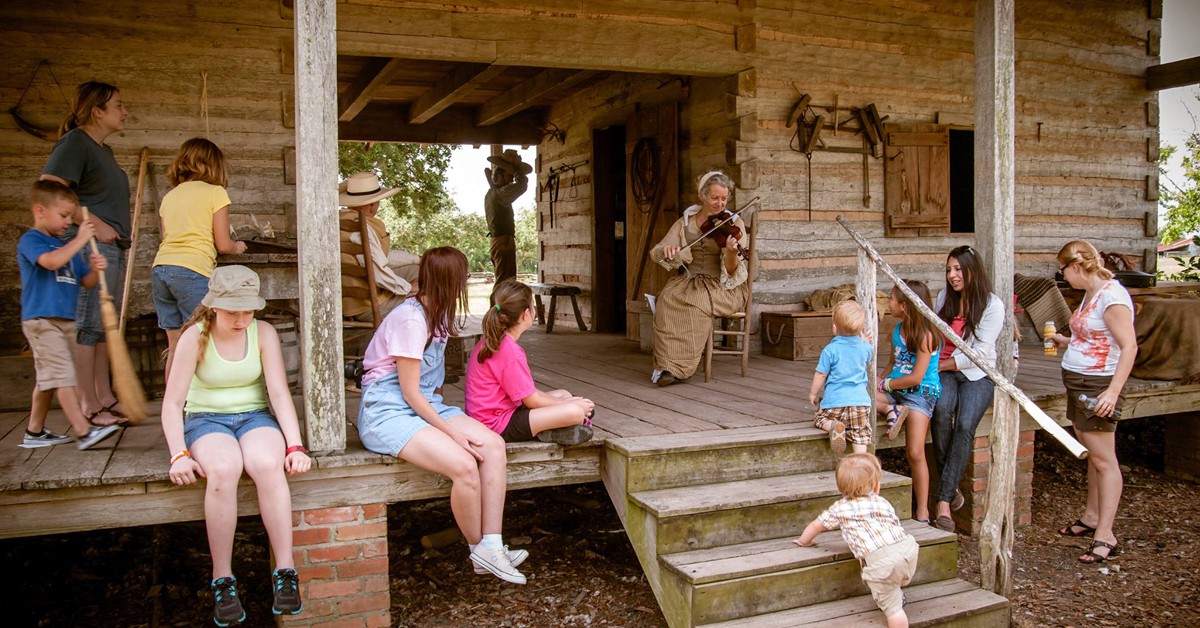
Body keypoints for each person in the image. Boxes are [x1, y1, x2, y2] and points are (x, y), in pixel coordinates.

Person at [356, 247, 528, 584]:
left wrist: (451, 425)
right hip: (387, 411)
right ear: (452, 282)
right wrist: (452, 433)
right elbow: (409, 392)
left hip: (424, 405)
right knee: (464, 465)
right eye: (463, 278)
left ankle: (493, 545)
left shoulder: (439, 316)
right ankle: (478, 549)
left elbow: (429, 390)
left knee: (493, 445)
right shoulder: (411, 320)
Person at [160, 265, 312, 625]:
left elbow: (278, 393)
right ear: (213, 305)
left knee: (266, 464)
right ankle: (223, 578)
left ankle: (285, 570)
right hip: (205, 419)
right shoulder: (194, 336)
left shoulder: (263, 332)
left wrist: (295, 445)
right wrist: (178, 454)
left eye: (248, 310)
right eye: (233, 311)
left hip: (254, 416)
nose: (241, 319)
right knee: (223, 469)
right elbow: (172, 403)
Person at [40, 81, 130, 428]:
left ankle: (104, 396)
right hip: (90, 246)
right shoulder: (75, 142)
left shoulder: (103, 151)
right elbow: (50, 188)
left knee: (103, 325)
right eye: (118, 105)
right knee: (88, 325)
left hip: (111, 246)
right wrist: (91, 223)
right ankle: (88, 405)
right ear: (97, 111)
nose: (124, 112)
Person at [1049, 240, 1136, 564]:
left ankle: (1106, 535)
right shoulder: (1091, 293)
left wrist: (1112, 393)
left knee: (1105, 460)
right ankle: (1091, 516)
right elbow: (1095, 335)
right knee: (1092, 454)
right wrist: (1066, 341)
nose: (1063, 277)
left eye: (1062, 271)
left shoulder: (1113, 298)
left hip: (1098, 385)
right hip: (1079, 381)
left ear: (1075, 266)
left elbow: (1129, 347)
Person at [17, 180, 121, 451]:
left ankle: (34, 431)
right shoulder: (32, 240)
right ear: (40, 211)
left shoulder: (65, 245)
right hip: (42, 321)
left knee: (49, 378)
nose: (68, 221)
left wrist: (95, 269)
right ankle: (84, 431)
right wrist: (80, 240)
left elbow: (85, 282)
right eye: (63, 215)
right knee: (64, 375)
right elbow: (51, 262)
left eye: (70, 216)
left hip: (66, 320)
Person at [152, 138, 247, 383]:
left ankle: (173, 401)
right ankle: (204, 398)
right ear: (215, 165)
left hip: (161, 269)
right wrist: (237, 247)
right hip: (192, 270)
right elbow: (223, 244)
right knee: (203, 338)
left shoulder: (170, 196)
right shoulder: (216, 193)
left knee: (175, 344)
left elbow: (167, 237)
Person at [930, 245, 1005, 534]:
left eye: (958, 269)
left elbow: (980, 353)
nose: (952, 275)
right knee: (940, 411)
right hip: (946, 371)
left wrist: (942, 366)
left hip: (977, 374)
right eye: (949, 270)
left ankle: (943, 501)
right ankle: (951, 491)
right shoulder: (944, 298)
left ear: (973, 271)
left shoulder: (992, 305)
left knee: (964, 425)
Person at [794, 453, 919, 628]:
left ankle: (895, 605)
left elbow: (816, 526)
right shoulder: (882, 502)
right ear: (876, 486)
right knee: (892, 579)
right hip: (907, 550)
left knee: (894, 611)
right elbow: (894, 524)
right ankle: (895, 592)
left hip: (881, 564)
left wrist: (804, 541)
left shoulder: (839, 508)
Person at [649, 170, 749, 386]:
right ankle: (666, 367)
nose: (720, 204)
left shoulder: (734, 223)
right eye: (714, 198)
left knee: (696, 302)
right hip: (689, 280)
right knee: (667, 299)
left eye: (724, 198)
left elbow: (733, 271)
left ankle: (681, 369)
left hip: (722, 286)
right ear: (702, 195)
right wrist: (668, 250)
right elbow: (657, 251)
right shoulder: (685, 222)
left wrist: (731, 253)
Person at [465, 279, 595, 445]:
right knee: (575, 412)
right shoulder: (508, 350)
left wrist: (564, 401)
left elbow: (528, 394)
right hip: (496, 425)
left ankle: (552, 428)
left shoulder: (493, 341)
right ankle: (548, 430)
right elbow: (532, 401)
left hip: (495, 414)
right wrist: (566, 405)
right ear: (526, 314)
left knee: (564, 394)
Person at [876, 280, 940, 525]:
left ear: (904, 305)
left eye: (891, 299)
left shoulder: (926, 336)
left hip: (920, 393)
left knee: (914, 452)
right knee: (860, 395)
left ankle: (923, 511)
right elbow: (893, 363)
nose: (888, 303)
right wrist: (879, 379)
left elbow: (916, 377)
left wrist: (887, 385)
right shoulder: (897, 329)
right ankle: (891, 409)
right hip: (896, 390)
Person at [338, 172, 419, 321]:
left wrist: (416, 259)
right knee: (429, 279)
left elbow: (378, 257)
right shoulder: (362, 228)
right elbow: (377, 272)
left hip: (347, 302)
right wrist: (408, 287)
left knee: (416, 268)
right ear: (372, 205)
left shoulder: (342, 222)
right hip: (368, 306)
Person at [809, 300, 874, 455]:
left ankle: (833, 426)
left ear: (834, 327)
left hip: (835, 402)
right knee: (860, 432)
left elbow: (821, 374)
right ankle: (861, 458)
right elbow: (865, 357)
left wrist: (813, 393)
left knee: (819, 419)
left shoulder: (830, 350)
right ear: (860, 329)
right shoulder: (866, 348)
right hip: (860, 403)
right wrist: (864, 342)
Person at [483, 149, 530, 285]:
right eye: (509, 175)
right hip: (503, 242)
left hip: (499, 241)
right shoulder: (501, 194)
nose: (511, 180)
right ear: (500, 176)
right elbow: (521, 186)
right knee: (505, 283)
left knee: (504, 281)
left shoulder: (493, 193)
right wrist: (518, 170)